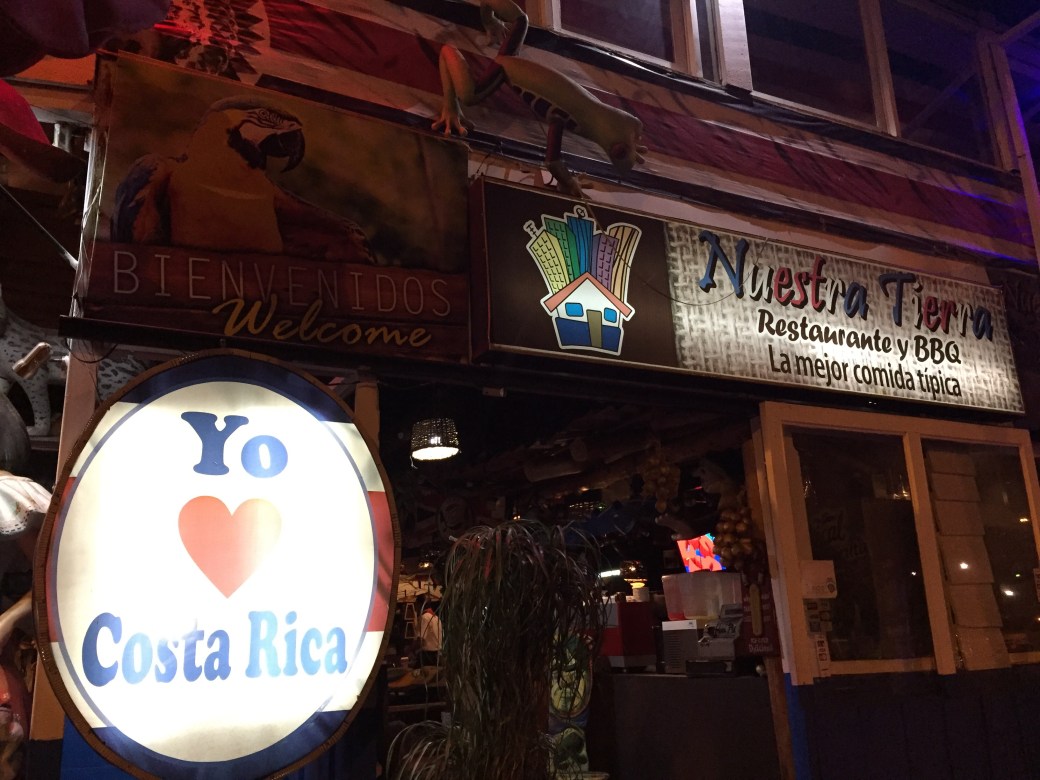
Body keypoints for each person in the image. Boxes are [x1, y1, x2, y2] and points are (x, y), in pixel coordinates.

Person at [417, 597, 442, 667]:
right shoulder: (437, 618)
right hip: (437, 654)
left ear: (420, 605)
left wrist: (411, 649)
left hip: (428, 655)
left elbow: (421, 639)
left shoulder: (424, 617)